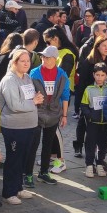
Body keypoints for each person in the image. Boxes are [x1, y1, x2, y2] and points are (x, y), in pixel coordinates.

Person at [0, 47, 43, 204]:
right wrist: (34, 102)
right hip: (14, 127)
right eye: (22, 61)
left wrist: (35, 98)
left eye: (28, 61)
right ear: (14, 63)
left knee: (23, 158)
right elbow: (14, 104)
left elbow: (28, 98)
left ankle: (18, 187)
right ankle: (9, 192)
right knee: (14, 159)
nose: (26, 63)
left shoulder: (27, 77)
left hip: (29, 125)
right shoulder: (9, 80)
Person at [28, 45, 70, 185]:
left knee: (48, 145)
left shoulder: (62, 74)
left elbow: (65, 96)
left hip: (53, 114)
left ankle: (44, 173)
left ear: (55, 59)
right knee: (33, 144)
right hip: (37, 113)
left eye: (47, 57)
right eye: (43, 57)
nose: (44, 59)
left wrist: (64, 115)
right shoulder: (34, 73)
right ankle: (27, 174)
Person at [80, 63, 107, 177]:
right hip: (93, 123)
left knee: (103, 144)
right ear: (93, 75)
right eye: (97, 75)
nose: (99, 78)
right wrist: (90, 116)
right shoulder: (89, 89)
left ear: (106, 75)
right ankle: (89, 164)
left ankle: (99, 163)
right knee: (90, 143)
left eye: (102, 75)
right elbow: (84, 105)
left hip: (105, 122)